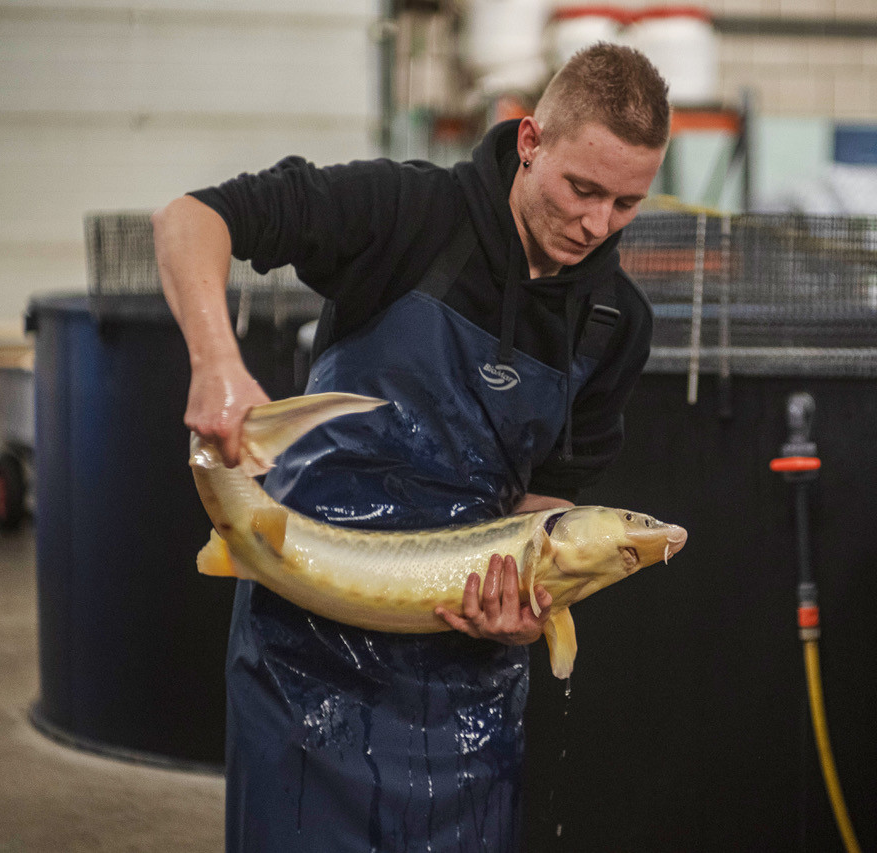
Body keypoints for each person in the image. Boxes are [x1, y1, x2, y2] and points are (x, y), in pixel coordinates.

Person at [153, 43, 670, 851]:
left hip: (463, 692)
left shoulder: (615, 325)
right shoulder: (408, 214)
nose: (598, 224)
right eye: (583, 188)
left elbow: (545, 508)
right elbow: (193, 217)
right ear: (530, 140)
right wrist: (217, 363)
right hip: (305, 655)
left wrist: (521, 616)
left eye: (627, 203)